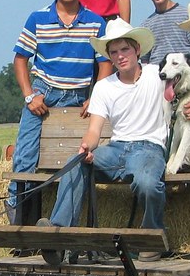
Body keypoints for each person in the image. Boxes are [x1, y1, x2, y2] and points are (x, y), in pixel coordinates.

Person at [39, 20, 167, 261]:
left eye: (125, 49)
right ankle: (58, 235)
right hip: (116, 149)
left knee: (148, 182)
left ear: (137, 49)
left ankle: (152, 235)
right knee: (75, 162)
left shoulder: (157, 74)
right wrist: (86, 147)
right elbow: (95, 129)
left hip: (148, 148)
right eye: (114, 52)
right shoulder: (104, 86)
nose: (120, 56)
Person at [6, 0, 110, 222]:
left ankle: (60, 223)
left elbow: (105, 63)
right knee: (25, 157)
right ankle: (19, 220)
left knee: (78, 158)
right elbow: (20, 58)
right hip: (45, 92)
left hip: (78, 97)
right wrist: (29, 95)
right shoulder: (38, 18)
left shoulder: (96, 23)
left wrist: (96, 97)